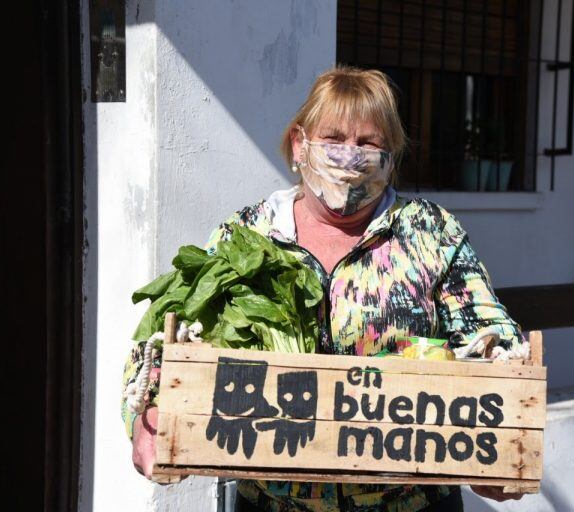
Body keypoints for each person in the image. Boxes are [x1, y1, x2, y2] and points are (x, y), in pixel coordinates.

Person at [122, 65, 526, 511]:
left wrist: (507, 432)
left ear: (391, 157)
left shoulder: (430, 232)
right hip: (271, 504)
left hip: (410, 502)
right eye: (334, 138)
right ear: (300, 144)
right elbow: (161, 344)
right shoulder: (248, 234)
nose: (350, 157)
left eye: (369, 143)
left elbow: (493, 336)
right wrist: (147, 417)